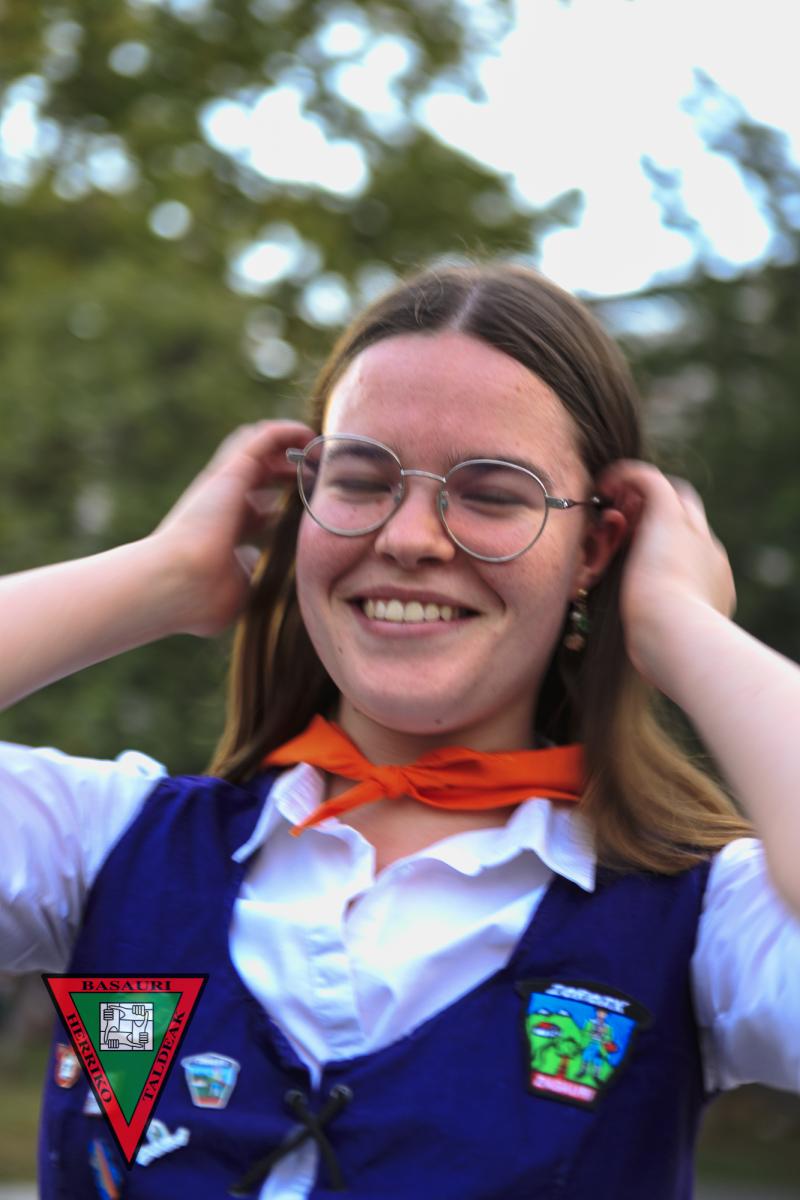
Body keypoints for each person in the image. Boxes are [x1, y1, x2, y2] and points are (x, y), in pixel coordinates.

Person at [1, 261, 799, 1199]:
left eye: (492, 493)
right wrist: (157, 577)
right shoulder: (106, 846)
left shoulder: (703, 923)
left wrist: (678, 627)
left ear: (593, 548)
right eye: (361, 479)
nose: (410, 538)